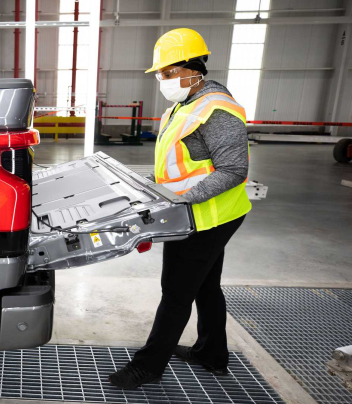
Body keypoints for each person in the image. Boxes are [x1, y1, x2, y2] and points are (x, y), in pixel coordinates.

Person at [108, 28, 252, 389]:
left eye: (169, 72)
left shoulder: (216, 110)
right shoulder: (185, 104)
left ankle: (147, 367)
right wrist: (150, 186)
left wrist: (182, 199)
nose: (164, 80)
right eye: (161, 73)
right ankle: (211, 354)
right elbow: (180, 164)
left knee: (176, 291)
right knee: (205, 285)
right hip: (199, 212)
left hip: (207, 216)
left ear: (194, 69)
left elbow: (234, 170)